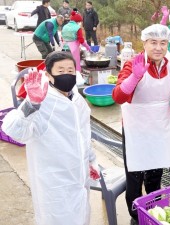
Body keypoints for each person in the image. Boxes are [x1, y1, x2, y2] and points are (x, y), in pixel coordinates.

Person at [2, 51, 100, 225]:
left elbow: (83, 133)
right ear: (48, 74)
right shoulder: (42, 99)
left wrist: (90, 160)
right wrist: (32, 104)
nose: (66, 75)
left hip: (78, 175)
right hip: (55, 181)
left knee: (82, 216)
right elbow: (14, 130)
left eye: (70, 70)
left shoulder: (76, 98)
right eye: (60, 71)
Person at [111, 24, 170, 223]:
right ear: (144, 43)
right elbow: (118, 96)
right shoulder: (133, 63)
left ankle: (153, 210)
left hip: (160, 124)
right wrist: (135, 76)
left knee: (156, 170)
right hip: (136, 126)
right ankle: (136, 214)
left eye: (163, 43)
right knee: (135, 174)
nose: (158, 48)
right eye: (153, 42)